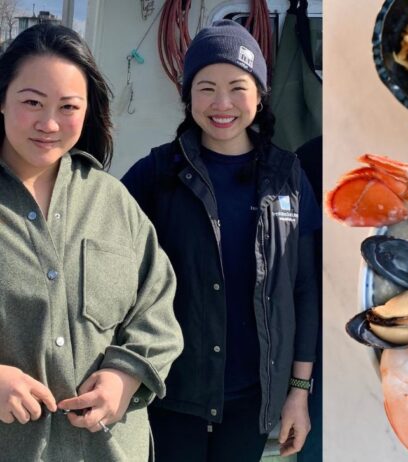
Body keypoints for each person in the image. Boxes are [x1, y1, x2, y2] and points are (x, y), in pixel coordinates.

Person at [122, 19, 321, 462]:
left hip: (253, 400)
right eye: (206, 87)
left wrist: (298, 393)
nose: (222, 103)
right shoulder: (157, 174)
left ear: (260, 94)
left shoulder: (287, 176)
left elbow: (304, 291)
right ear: (188, 96)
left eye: (238, 87)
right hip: (173, 393)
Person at [0, 23, 183, 461]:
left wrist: (126, 375)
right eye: (32, 103)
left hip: (110, 450)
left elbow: (155, 305)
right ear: (2, 100)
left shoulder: (113, 201)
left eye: (68, 106)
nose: (48, 123)